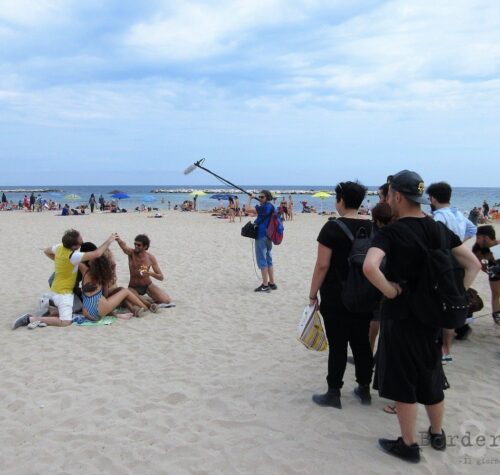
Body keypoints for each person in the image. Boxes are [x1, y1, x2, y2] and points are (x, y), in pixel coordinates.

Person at [363, 170, 480, 463]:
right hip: (432, 317)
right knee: (431, 374)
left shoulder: (392, 232)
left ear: (397, 197)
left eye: (389, 195)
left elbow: (370, 266)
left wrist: (390, 291)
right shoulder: (437, 229)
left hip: (402, 316)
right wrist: (456, 293)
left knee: (403, 380)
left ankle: (409, 444)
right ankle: (437, 433)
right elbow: (473, 264)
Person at [309, 181, 373, 409]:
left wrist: (312, 294)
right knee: (362, 342)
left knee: (338, 345)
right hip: (364, 294)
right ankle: (364, 389)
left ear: (341, 201)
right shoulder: (372, 227)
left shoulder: (332, 228)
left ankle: (333, 392)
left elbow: (322, 265)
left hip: (336, 294)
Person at [13, 230, 117, 329]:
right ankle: (30, 318)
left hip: (55, 287)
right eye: (80, 241)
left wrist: (61, 261)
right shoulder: (75, 257)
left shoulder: (59, 247)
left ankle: (48, 310)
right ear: (74, 246)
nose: (82, 241)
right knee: (66, 321)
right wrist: (110, 240)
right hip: (64, 292)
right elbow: (97, 253)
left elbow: (46, 251)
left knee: (76, 307)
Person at [426, 181, 477, 361]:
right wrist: (460, 243)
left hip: (443, 263)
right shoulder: (457, 213)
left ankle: (439, 348)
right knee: (452, 305)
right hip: (457, 263)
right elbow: (473, 229)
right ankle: (447, 351)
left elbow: (434, 237)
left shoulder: (439, 217)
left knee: (440, 304)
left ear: (432, 198)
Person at [79, 252, 151, 320]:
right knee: (125, 291)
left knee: (119, 292)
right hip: (98, 312)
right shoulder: (103, 276)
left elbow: (76, 259)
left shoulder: (85, 271)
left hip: (87, 312)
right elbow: (105, 294)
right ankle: (145, 307)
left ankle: (140, 307)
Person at [115, 234, 173, 306]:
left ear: (145, 246)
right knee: (133, 299)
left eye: (139, 245)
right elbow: (124, 247)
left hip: (147, 285)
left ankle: (146, 299)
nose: (136, 246)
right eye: (135, 244)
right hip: (133, 286)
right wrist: (118, 240)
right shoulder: (131, 253)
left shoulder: (150, 257)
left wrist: (150, 273)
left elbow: (161, 277)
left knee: (167, 301)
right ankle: (147, 303)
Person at [247, 190, 277, 292]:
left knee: (262, 259)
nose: (260, 198)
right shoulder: (271, 206)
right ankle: (272, 283)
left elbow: (247, 209)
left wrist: (250, 198)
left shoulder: (264, 208)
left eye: (262, 197)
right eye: (259, 197)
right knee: (268, 259)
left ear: (267, 198)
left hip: (261, 235)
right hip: (269, 235)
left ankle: (265, 285)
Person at [475, 225, 500, 324]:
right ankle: (497, 317)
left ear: (486, 237)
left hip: (496, 266)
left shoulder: (497, 245)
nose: (477, 240)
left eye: (478, 238)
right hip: (494, 268)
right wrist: (485, 268)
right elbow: (476, 262)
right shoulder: (477, 248)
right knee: (496, 294)